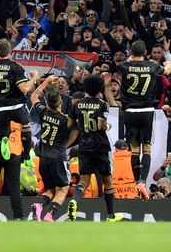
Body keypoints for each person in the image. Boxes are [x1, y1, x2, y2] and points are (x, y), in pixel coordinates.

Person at [118, 40, 171, 199]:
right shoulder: (153, 66)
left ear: (131, 52)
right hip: (147, 111)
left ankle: (135, 183)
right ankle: (142, 181)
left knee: (134, 149)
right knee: (146, 148)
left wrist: (130, 57)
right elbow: (167, 71)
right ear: (146, 52)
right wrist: (167, 63)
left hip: (129, 111)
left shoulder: (125, 66)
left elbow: (125, 63)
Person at [68, 75, 122, 222]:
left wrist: (82, 125)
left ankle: (74, 201)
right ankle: (110, 215)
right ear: (99, 89)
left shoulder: (77, 104)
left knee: (83, 182)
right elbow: (100, 126)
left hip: (84, 146)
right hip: (100, 147)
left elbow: (69, 124)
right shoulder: (102, 104)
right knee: (107, 181)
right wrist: (108, 126)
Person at [29, 76, 72, 222]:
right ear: (60, 102)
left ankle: (39, 205)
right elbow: (77, 126)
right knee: (63, 189)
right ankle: (50, 215)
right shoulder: (65, 120)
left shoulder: (43, 112)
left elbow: (34, 96)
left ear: (47, 102)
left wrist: (46, 82)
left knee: (49, 190)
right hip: (58, 158)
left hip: (43, 159)